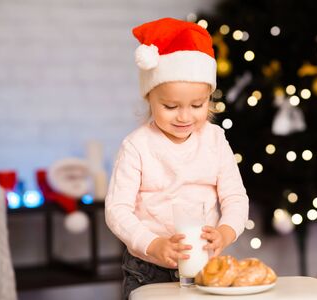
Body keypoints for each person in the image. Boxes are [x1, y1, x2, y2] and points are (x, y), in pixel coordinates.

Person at [105, 17, 249, 300]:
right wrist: (153, 244)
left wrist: (226, 231)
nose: (184, 116)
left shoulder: (215, 139)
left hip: (205, 265)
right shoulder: (137, 146)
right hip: (148, 269)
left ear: (209, 98)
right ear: (150, 98)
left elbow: (235, 197)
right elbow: (117, 209)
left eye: (197, 105)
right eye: (170, 106)